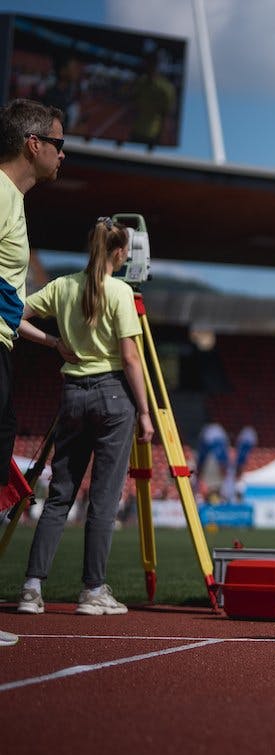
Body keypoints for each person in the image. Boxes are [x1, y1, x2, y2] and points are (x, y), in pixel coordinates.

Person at [16, 218, 155, 616]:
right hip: (114, 396)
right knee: (103, 499)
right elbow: (130, 358)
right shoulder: (120, 292)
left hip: (73, 395)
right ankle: (92, 591)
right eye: (125, 250)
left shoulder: (62, 286)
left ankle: (31, 588)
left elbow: (14, 313)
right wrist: (145, 412)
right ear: (116, 252)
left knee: (59, 496)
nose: (128, 255)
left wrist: (54, 342)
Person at [0, 99, 65, 642]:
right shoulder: (0, 193)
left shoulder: (15, 202)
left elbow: (9, 304)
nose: (64, 154)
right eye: (59, 143)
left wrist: (53, 343)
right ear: (33, 144)